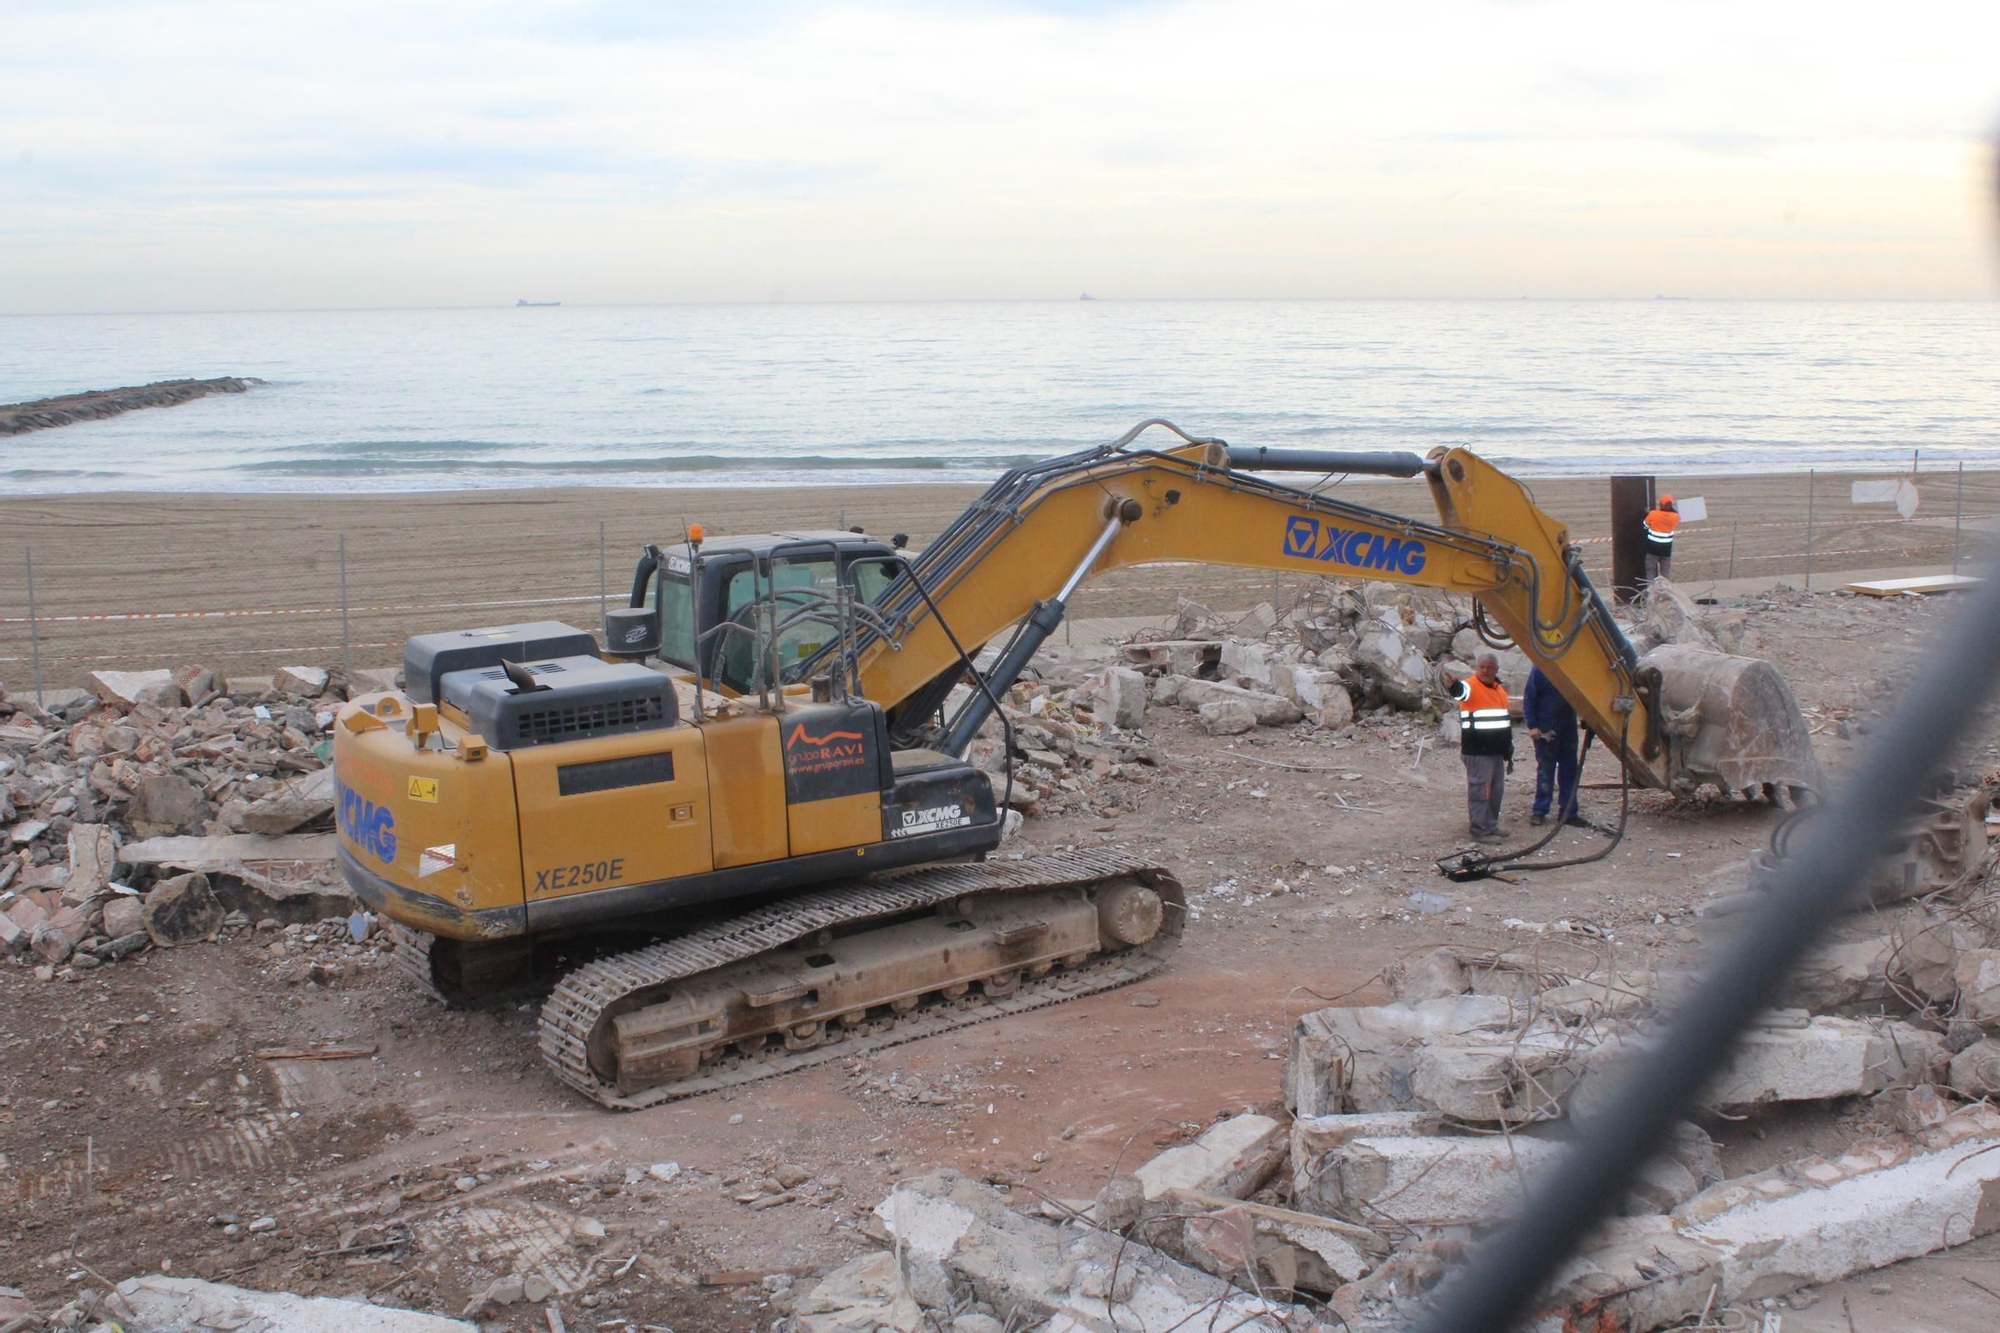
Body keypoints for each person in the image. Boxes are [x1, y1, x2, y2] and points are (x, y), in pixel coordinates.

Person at [1450, 653, 1514, 844]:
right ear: (1477, 668)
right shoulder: (1470, 686)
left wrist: (1508, 748)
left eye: (1489, 668)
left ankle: (1490, 825)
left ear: (1496, 670)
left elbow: (1503, 721)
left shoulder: (1498, 689)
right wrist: (1454, 686)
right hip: (1478, 751)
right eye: (1482, 667)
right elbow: (1460, 692)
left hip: (1496, 751)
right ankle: (1479, 830)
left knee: (1496, 791)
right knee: (1480, 791)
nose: (1485, 671)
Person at [1523, 666, 1585, 828]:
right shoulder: (1540, 669)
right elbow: (1530, 698)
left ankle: (1569, 812)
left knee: (1569, 770)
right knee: (1545, 770)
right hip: (1546, 728)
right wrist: (1532, 725)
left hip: (1567, 727)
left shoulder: (1571, 668)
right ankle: (1540, 810)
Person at [1641, 495, 1680, 586]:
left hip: (1652, 548)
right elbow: (1674, 515)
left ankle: (1651, 594)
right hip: (1666, 548)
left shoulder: (1653, 514)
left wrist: (1648, 513)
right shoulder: (1675, 517)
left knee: (1650, 572)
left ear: (1661, 505)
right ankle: (1665, 594)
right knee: (1665, 573)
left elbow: (1644, 526)